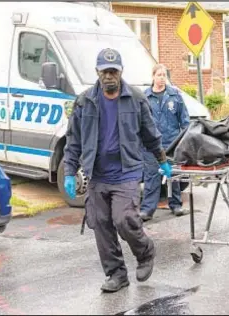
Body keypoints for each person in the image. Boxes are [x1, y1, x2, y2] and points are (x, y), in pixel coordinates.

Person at [63, 48, 172, 293]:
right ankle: (116, 274)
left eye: (113, 71)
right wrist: (70, 171)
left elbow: (150, 134)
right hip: (97, 174)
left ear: (121, 71)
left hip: (126, 172)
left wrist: (162, 159)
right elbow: (74, 141)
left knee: (124, 219)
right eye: (104, 71)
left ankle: (145, 252)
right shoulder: (84, 102)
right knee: (100, 223)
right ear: (97, 72)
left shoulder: (135, 99)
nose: (109, 76)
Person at [139, 64, 190, 222]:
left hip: (171, 143)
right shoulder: (144, 97)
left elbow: (185, 121)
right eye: (159, 75)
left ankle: (175, 204)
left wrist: (184, 140)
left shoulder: (175, 96)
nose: (161, 78)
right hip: (150, 145)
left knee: (173, 175)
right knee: (151, 176)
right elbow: (139, 122)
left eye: (164, 75)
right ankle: (147, 209)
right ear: (153, 76)